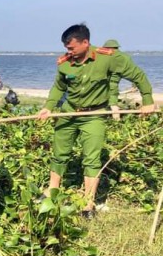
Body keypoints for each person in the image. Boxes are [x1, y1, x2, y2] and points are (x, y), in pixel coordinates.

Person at [37, 24, 155, 218]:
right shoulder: (65, 63)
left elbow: (137, 75)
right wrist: (48, 106)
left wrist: (148, 100)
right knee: (59, 154)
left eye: (72, 47)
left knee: (91, 159)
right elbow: (58, 87)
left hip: (93, 115)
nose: (69, 51)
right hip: (68, 113)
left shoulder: (109, 58)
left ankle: (87, 204)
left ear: (86, 43)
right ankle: (52, 191)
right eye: (66, 48)